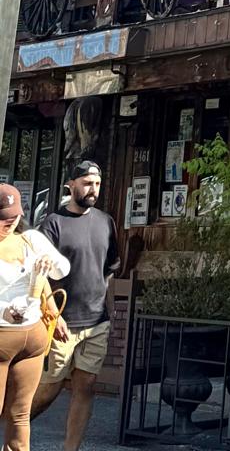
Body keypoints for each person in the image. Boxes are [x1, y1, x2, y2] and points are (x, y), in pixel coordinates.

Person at [31, 161, 120, 451]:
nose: (93, 189)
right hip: (62, 321)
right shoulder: (53, 223)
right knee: (50, 387)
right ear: (71, 185)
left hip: (97, 321)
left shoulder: (106, 222)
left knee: (87, 386)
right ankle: (15, 428)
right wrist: (54, 318)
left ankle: (71, 448)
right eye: (86, 183)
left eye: (97, 183)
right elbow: (40, 275)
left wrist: (110, 307)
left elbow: (110, 268)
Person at [0, 185, 70, 451]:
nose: (10, 221)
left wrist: (46, 264)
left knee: (20, 413)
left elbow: (59, 272)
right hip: (2, 333)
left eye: (14, 215)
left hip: (32, 336)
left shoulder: (31, 238)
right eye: (4, 216)